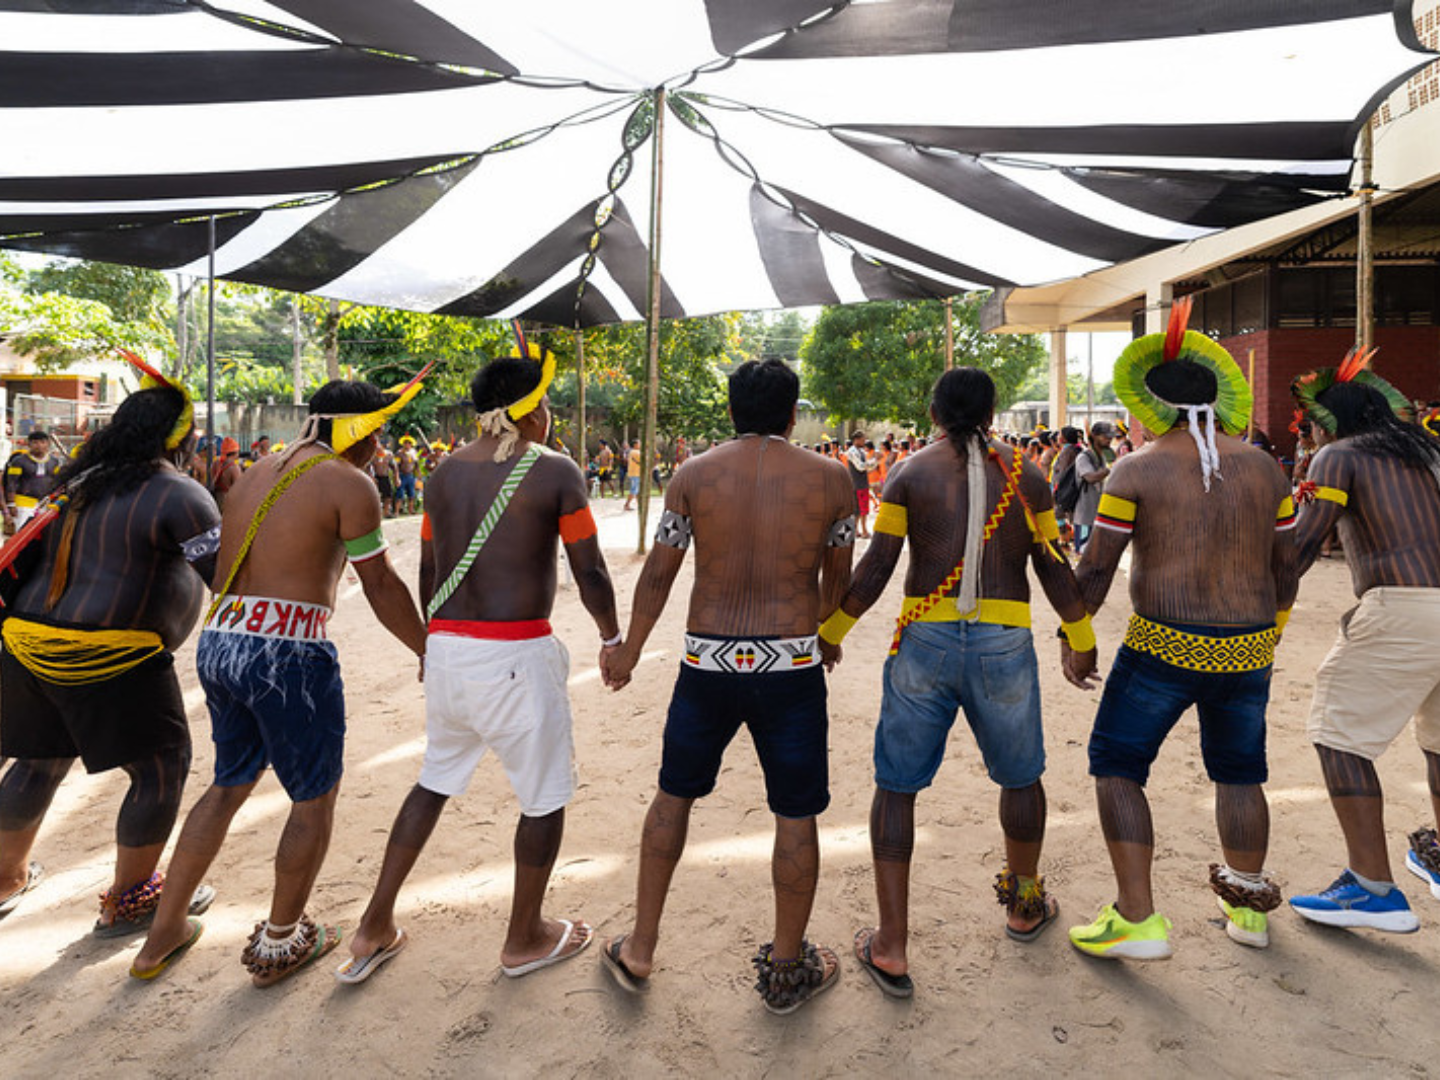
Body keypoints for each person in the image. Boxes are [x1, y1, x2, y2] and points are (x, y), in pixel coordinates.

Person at [131, 373, 430, 985]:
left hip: (222, 641)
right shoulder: (352, 483)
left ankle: (160, 937)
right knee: (313, 796)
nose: (381, 445)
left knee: (228, 783)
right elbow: (379, 582)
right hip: (286, 653)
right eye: (378, 433)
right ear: (364, 433)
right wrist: (427, 648)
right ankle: (279, 944)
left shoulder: (258, 470)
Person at [340, 337, 621, 985]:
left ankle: (374, 923)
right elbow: (590, 569)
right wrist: (611, 638)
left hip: (449, 653)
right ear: (528, 412)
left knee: (433, 780)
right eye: (545, 405)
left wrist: (431, 645)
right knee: (544, 797)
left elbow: (431, 568)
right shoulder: (554, 470)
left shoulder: (442, 476)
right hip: (516, 653)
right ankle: (524, 936)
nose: (548, 416)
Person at [818, 368, 1097, 998]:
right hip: (1005, 642)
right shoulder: (1027, 474)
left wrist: (831, 629)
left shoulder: (909, 473)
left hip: (926, 643)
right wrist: (1081, 639)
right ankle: (1024, 904)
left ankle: (891, 944)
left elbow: (878, 566)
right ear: (994, 409)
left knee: (896, 787)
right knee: (1021, 777)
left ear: (935, 409)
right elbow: (1054, 570)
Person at [598, 359, 854, 1014]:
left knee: (673, 798)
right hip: (789, 665)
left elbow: (659, 574)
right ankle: (788, 968)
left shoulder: (692, 476)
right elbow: (837, 579)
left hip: (708, 663)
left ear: (732, 410)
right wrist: (827, 636)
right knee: (796, 813)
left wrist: (628, 648)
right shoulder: (832, 481)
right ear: (794, 413)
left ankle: (642, 946)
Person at [1069, 297, 1297, 959]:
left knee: (1116, 766)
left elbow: (1098, 566)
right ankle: (1248, 911)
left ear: (1151, 407)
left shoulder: (1135, 469)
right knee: (1240, 773)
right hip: (1249, 644)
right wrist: (1271, 631)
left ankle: (1138, 918)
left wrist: (1075, 637)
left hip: (1162, 642)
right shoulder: (1267, 468)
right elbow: (1288, 568)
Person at [0, 357, 220, 931]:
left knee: (39, 759)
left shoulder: (78, 484)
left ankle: (4, 877)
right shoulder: (179, 493)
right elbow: (229, 577)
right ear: (183, 439)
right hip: (112, 654)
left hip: (26, 644)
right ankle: (133, 899)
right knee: (161, 770)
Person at [1285, 350, 1440, 931]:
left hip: (1404, 606)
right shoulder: (1427, 454)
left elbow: (1304, 545)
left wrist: (1258, 599)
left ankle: (1373, 889)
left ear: (1333, 421)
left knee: (1338, 736)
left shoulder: (1338, 456)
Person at [4, 429, 66, 533]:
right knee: (22, 534)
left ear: (48, 444)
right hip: (23, 503)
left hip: (45, 503)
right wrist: (11, 504)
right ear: (29, 444)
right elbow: (11, 483)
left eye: (42, 442)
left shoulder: (54, 462)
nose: (39, 445)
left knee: (43, 534)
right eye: (35, 442)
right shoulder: (19, 461)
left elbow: (57, 482)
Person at [1071, 422, 1117, 554]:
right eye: (1105, 437)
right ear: (1095, 436)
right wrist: (1110, 469)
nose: (1109, 440)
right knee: (1083, 554)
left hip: (1099, 515)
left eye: (1110, 437)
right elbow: (1090, 477)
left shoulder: (1103, 456)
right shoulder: (1083, 457)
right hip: (1085, 515)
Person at [845, 431, 875, 539]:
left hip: (861, 483)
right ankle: (864, 531)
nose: (864, 441)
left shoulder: (861, 451)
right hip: (858, 484)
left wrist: (872, 462)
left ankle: (856, 530)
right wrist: (875, 460)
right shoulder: (852, 452)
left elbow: (867, 468)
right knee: (861, 509)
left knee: (859, 509)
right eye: (863, 439)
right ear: (856, 439)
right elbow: (861, 467)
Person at [209, 437, 243, 504]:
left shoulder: (215, 463)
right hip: (227, 501)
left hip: (215, 500)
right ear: (235, 452)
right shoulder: (234, 468)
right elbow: (239, 489)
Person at [395, 435, 420, 514]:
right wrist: (396, 476)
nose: (407, 444)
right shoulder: (399, 453)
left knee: (411, 494)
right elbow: (396, 466)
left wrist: (418, 473)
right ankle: (396, 511)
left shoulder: (414, 452)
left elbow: (416, 464)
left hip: (410, 476)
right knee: (400, 494)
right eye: (405, 443)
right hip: (402, 475)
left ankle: (411, 510)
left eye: (409, 443)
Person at [622, 439, 642, 511]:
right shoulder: (636, 452)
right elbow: (642, 460)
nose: (640, 445)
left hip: (634, 473)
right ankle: (627, 504)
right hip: (635, 473)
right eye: (639, 443)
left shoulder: (632, 452)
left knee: (637, 489)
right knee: (634, 489)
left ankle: (640, 505)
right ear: (635, 445)